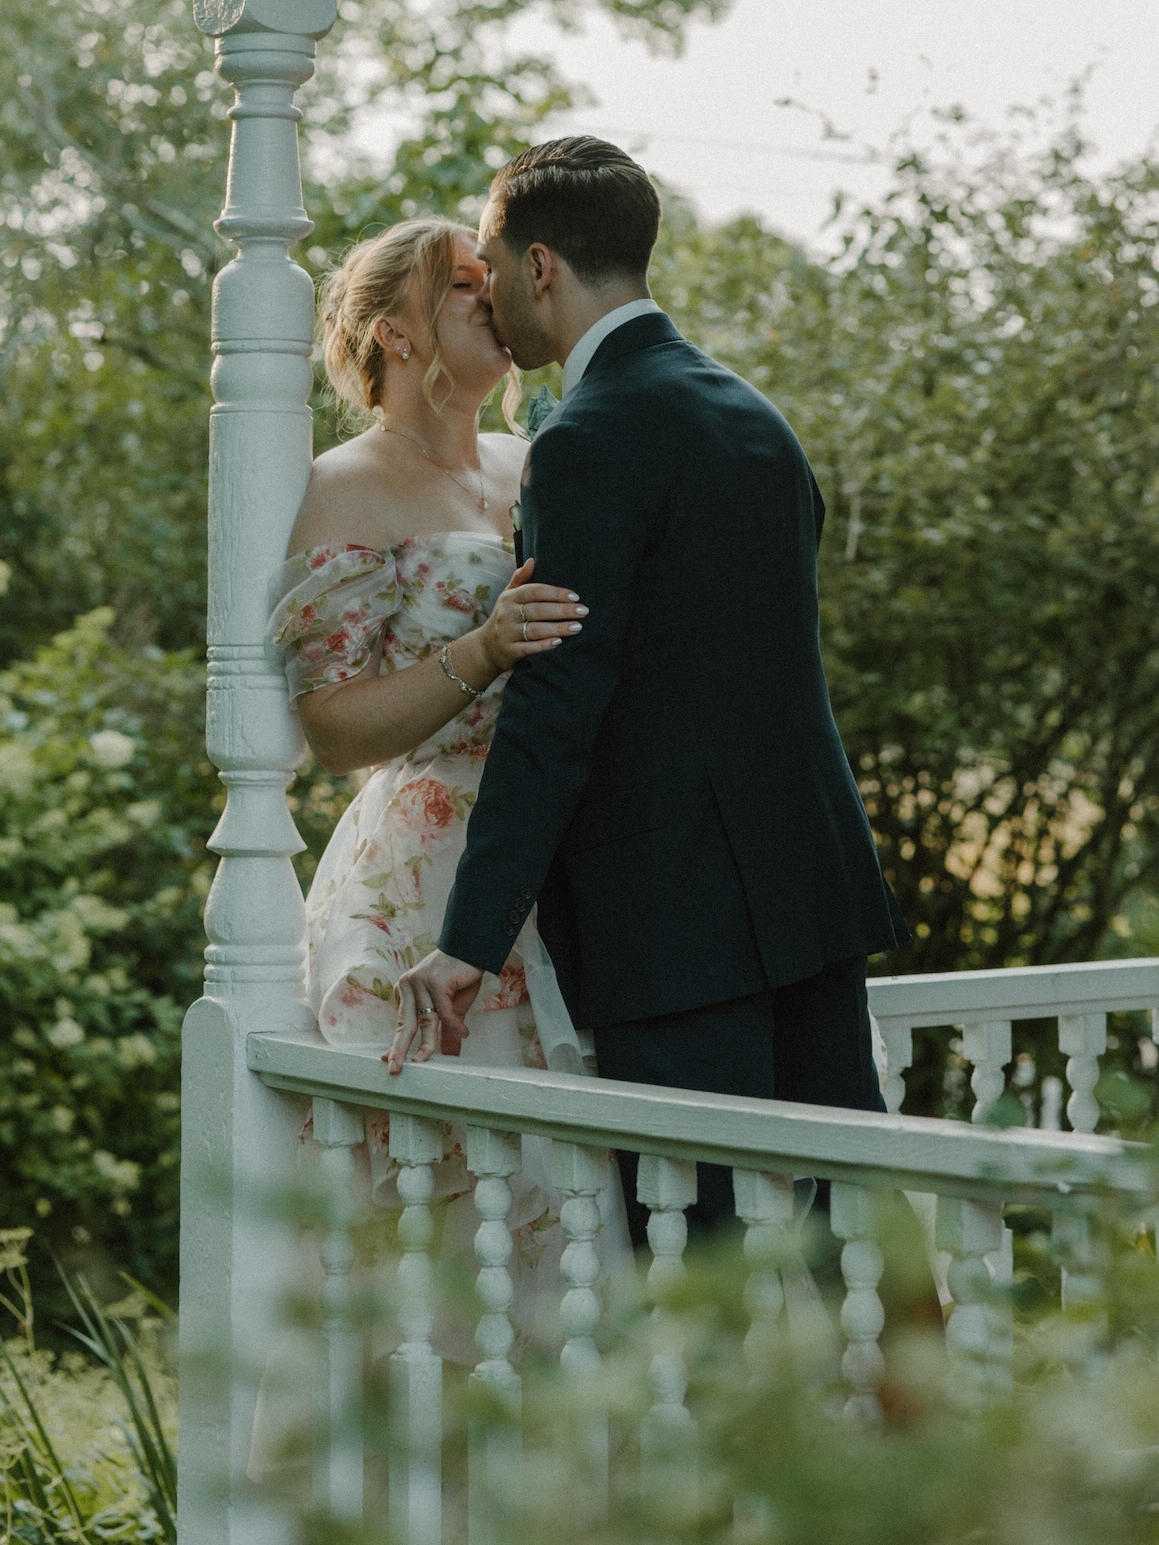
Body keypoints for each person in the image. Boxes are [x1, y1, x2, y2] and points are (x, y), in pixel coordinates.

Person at [385, 139, 911, 1245]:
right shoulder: (752, 415)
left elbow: (558, 708)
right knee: (855, 1226)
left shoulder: (584, 440)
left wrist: (469, 940)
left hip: (674, 920)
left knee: (701, 1253)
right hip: (808, 889)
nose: (485, 289)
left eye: (488, 261)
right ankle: (916, 1419)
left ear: (540, 267)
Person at [267, 215, 620, 1270]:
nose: (491, 297)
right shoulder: (344, 485)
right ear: (395, 335)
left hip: (554, 851)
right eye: (460, 286)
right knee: (469, 1200)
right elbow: (330, 725)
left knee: (583, 1192)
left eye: (490, 277)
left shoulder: (533, 460)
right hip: (426, 867)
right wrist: (481, 649)